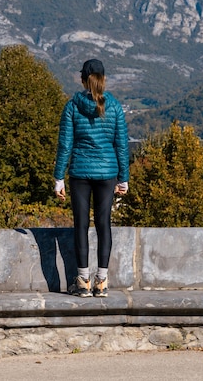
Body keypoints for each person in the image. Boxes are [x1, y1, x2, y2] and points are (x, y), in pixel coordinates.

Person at [54, 58, 129, 297]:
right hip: (108, 173)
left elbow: (65, 144)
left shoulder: (72, 106)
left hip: (80, 173)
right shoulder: (115, 107)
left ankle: (83, 281)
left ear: (83, 79)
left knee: (82, 225)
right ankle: (102, 281)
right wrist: (123, 178)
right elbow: (121, 145)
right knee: (104, 224)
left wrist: (58, 178)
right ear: (103, 78)